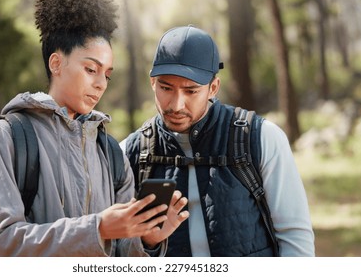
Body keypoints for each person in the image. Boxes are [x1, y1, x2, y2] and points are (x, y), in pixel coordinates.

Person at [0, 0, 188, 257]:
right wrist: (96, 230)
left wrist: (147, 240)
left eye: (107, 74)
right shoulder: (8, 136)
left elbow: (125, 257)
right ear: (56, 64)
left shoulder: (110, 152)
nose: (101, 84)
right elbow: (4, 243)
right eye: (90, 69)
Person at [121, 26, 315, 256]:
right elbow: (117, 250)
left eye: (191, 91)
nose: (176, 105)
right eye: (166, 88)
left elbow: (295, 236)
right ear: (152, 82)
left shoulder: (261, 137)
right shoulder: (130, 152)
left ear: (213, 88)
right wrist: (148, 243)